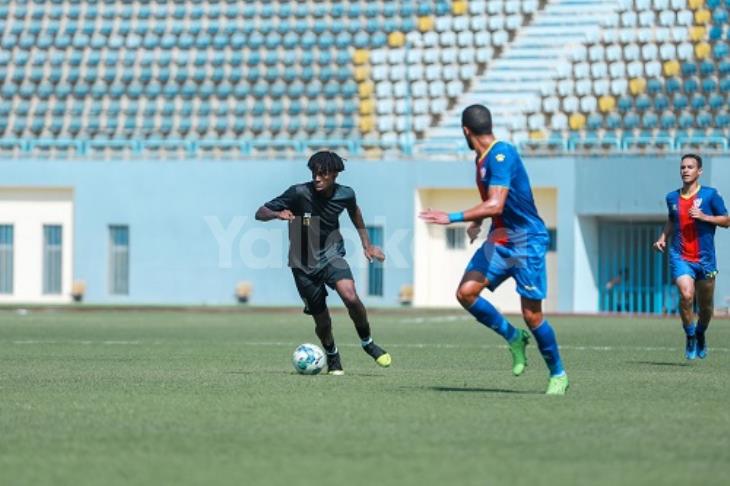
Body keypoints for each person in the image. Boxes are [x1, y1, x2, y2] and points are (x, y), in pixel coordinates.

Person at [419, 104, 568, 395]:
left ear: (466, 131)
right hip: (500, 238)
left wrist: (454, 217)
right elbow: (495, 206)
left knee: (532, 315)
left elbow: (496, 203)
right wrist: (480, 220)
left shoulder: (502, 154)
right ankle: (513, 338)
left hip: (527, 241)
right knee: (466, 293)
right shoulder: (481, 158)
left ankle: (558, 373)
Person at [255, 151, 391, 375]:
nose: (317, 178)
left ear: (335, 174)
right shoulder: (298, 193)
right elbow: (260, 212)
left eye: (322, 174)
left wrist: (367, 244)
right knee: (322, 321)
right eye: (314, 173)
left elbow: (355, 212)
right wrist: (277, 214)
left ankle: (368, 342)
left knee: (350, 296)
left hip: (331, 255)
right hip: (302, 264)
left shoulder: (345, 194)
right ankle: (332, 355)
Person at [653, 153, 729, 360]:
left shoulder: (711, 195)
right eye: (683, 167)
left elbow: (727, 220)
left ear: (699, 171)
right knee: (686, 295)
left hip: (705, 260)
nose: (685, 170)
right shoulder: (672, 198)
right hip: (680, 256)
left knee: (706, 307)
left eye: (690, 167)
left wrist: (705, 217)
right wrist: (662, 237)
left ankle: (701, 333)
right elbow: (672, 220)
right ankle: (689, 335)